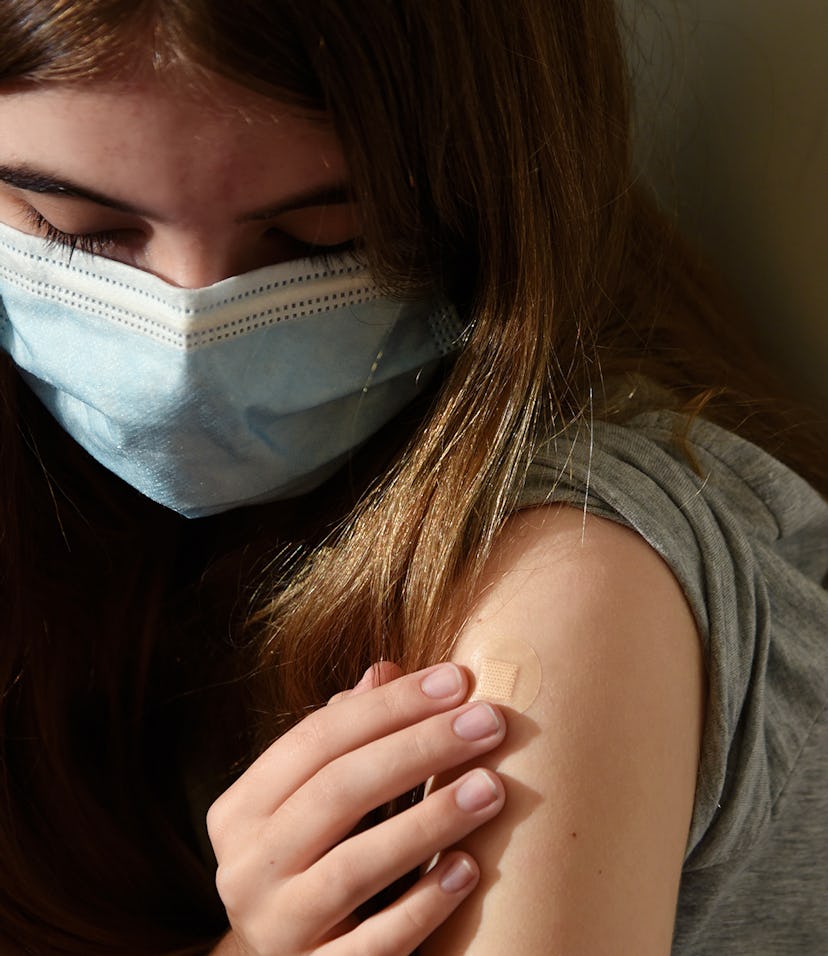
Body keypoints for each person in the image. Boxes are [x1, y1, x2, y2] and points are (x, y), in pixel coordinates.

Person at [0, 2, 825, 954]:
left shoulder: (577, 580)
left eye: (320, 238)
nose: (187, 338)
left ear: (497, 193)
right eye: (77, 230)